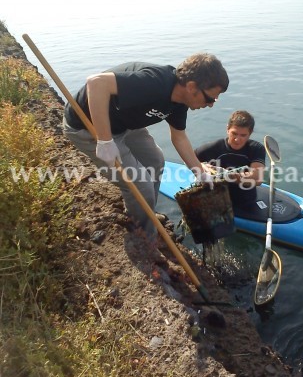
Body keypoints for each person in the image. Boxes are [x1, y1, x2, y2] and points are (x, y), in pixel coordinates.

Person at [63, 53, 229, 247]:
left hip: (125, 123)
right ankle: (145, 239)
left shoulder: (179, 103)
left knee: (156, 161)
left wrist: (200, 173)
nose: (210, 105)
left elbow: (179, 137)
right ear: (192, 86)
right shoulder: (155, 83)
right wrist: (105, 140)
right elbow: (96, 83)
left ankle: (144, 211)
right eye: (210, 98)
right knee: (140, 185)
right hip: (89, 126)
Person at [194, 110, 265, 211]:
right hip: (217, 200)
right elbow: (189, 158)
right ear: (227, 129)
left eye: (243, 135)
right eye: (234, 133)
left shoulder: (256, 148)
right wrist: (202, 166)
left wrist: (230, 176)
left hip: (246, 201)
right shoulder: (214, 147)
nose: (237, 139)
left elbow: (258, 178)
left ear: (250, 133)